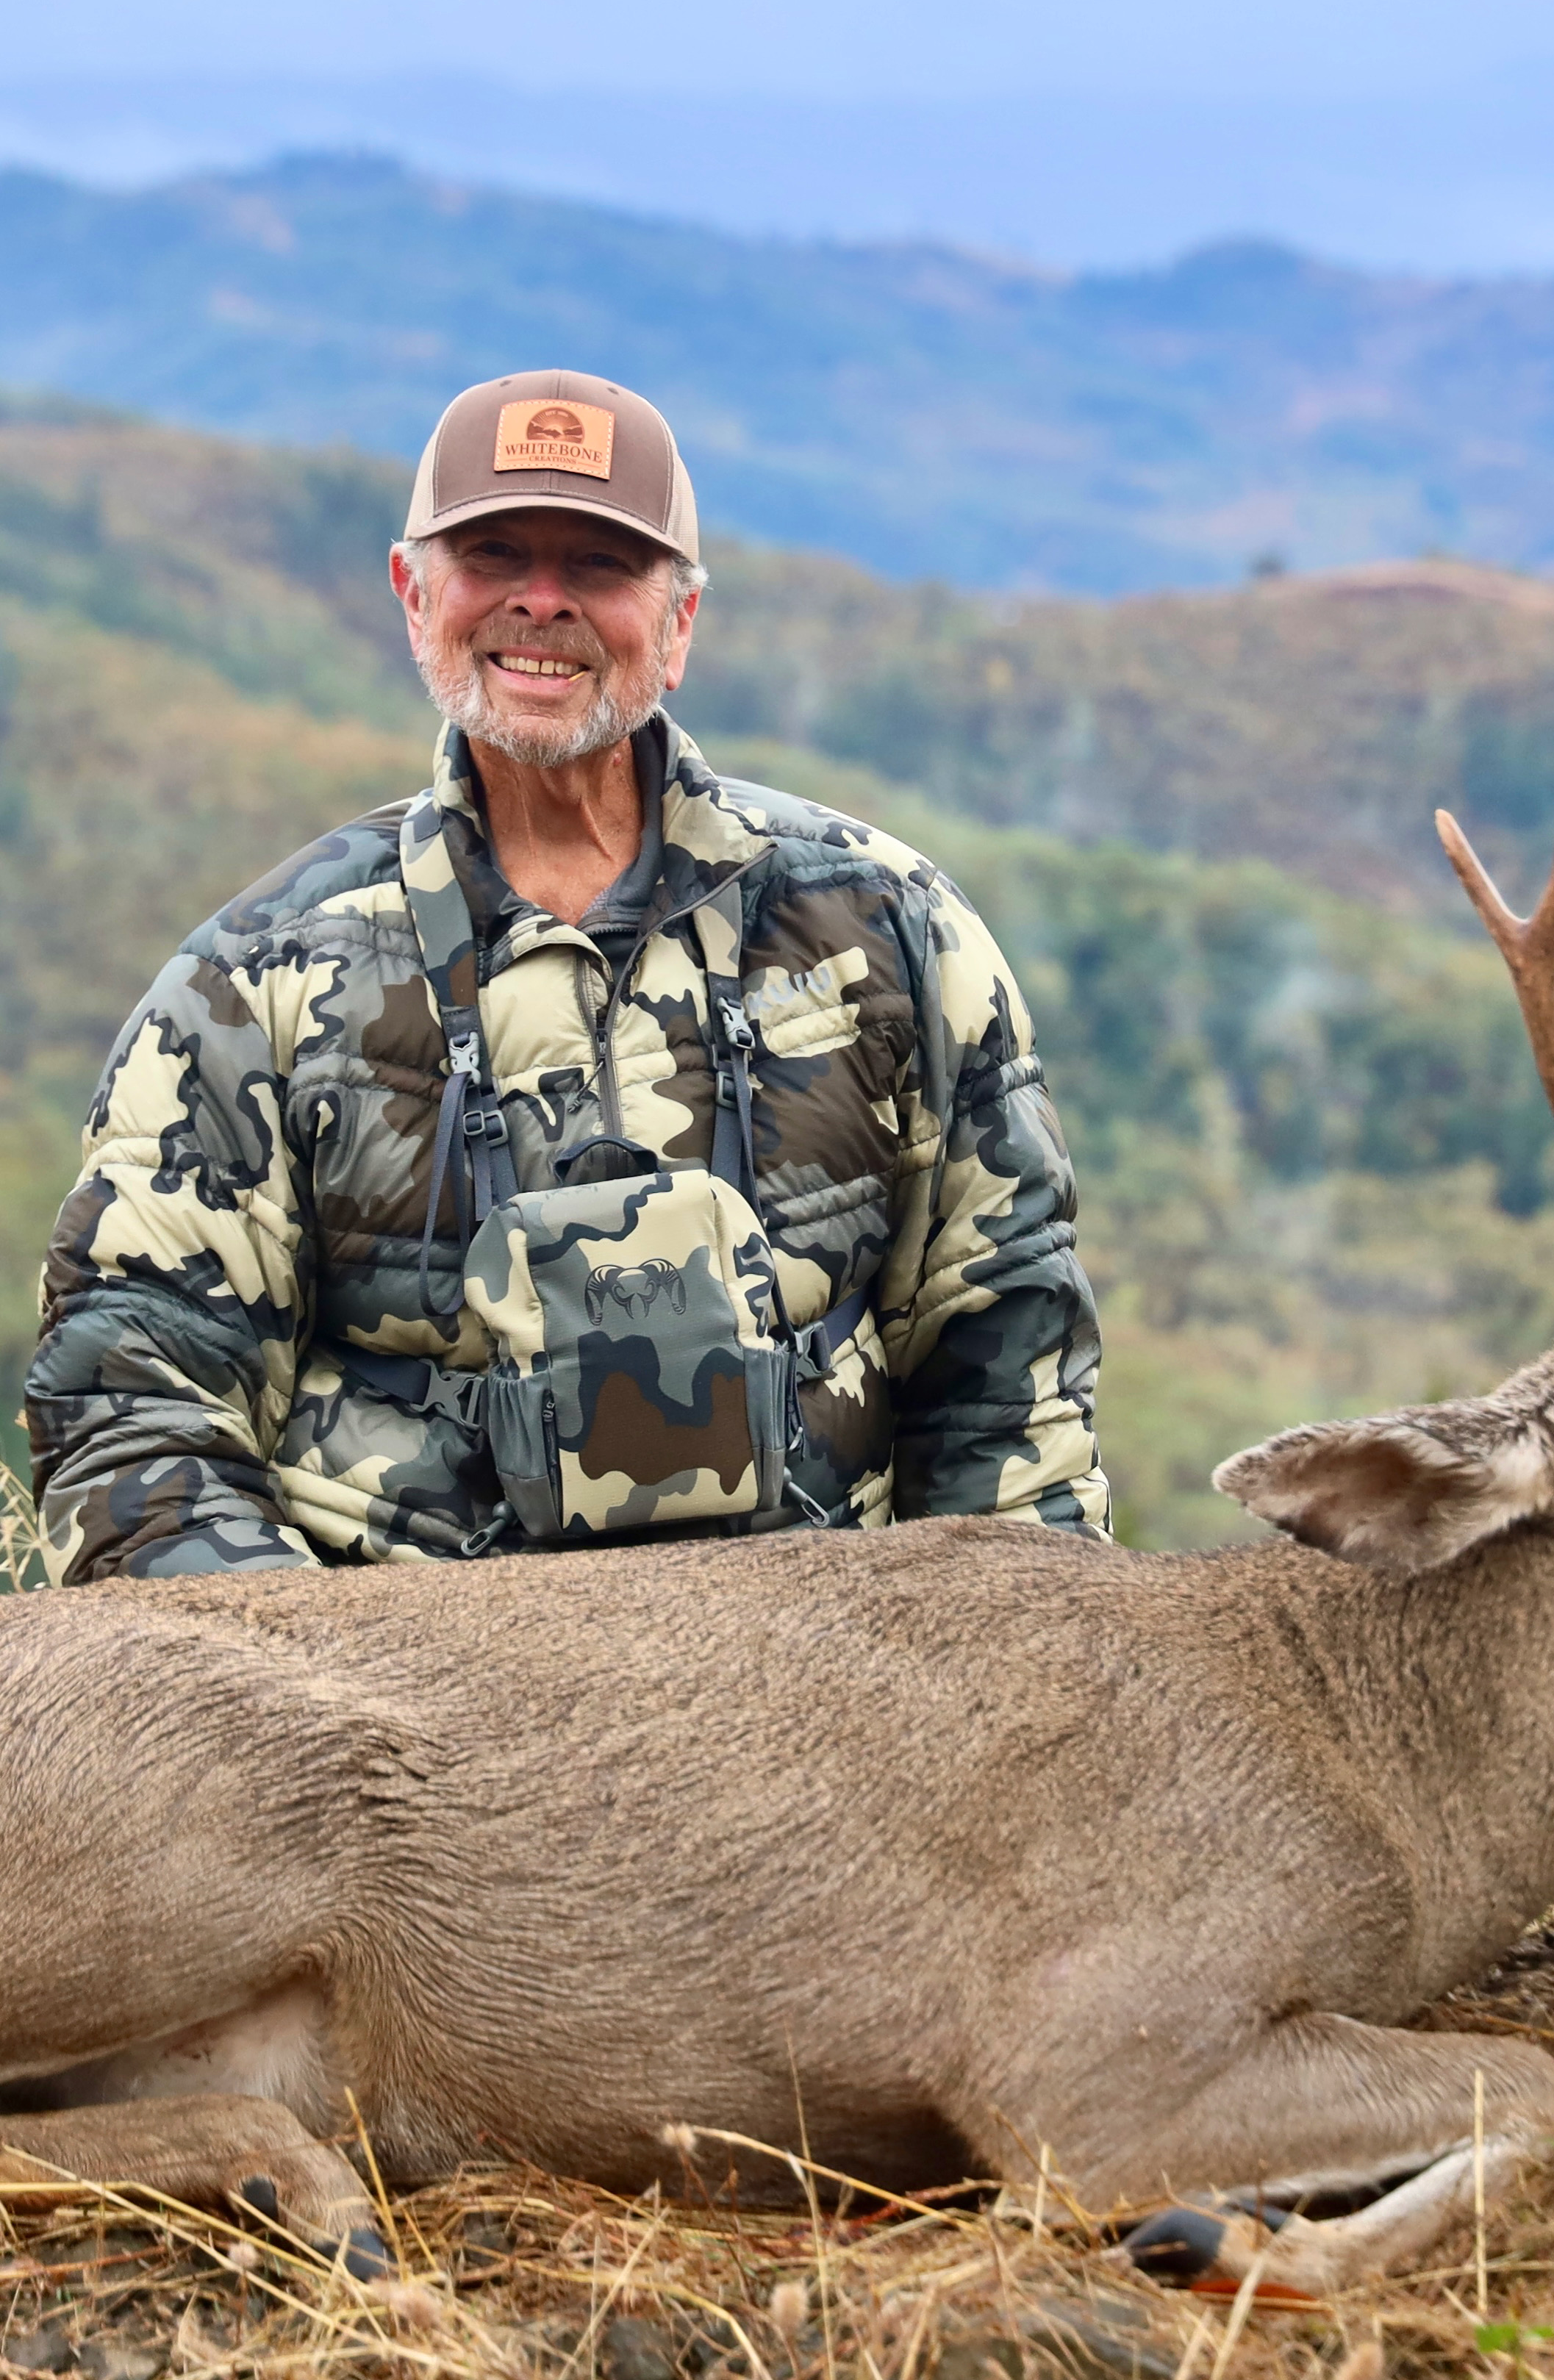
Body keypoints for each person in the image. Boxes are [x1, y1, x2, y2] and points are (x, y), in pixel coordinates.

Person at [26, 369, 1106, 1580]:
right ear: (412, 592)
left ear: (682, 620)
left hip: (815, 1699)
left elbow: (1009, 1377)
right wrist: (313, 1722)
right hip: (393, 1710)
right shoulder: (254, 982)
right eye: (493, 555)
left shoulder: (885, 927)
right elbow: (133, 1408)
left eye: (596, 566)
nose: (541, 602)